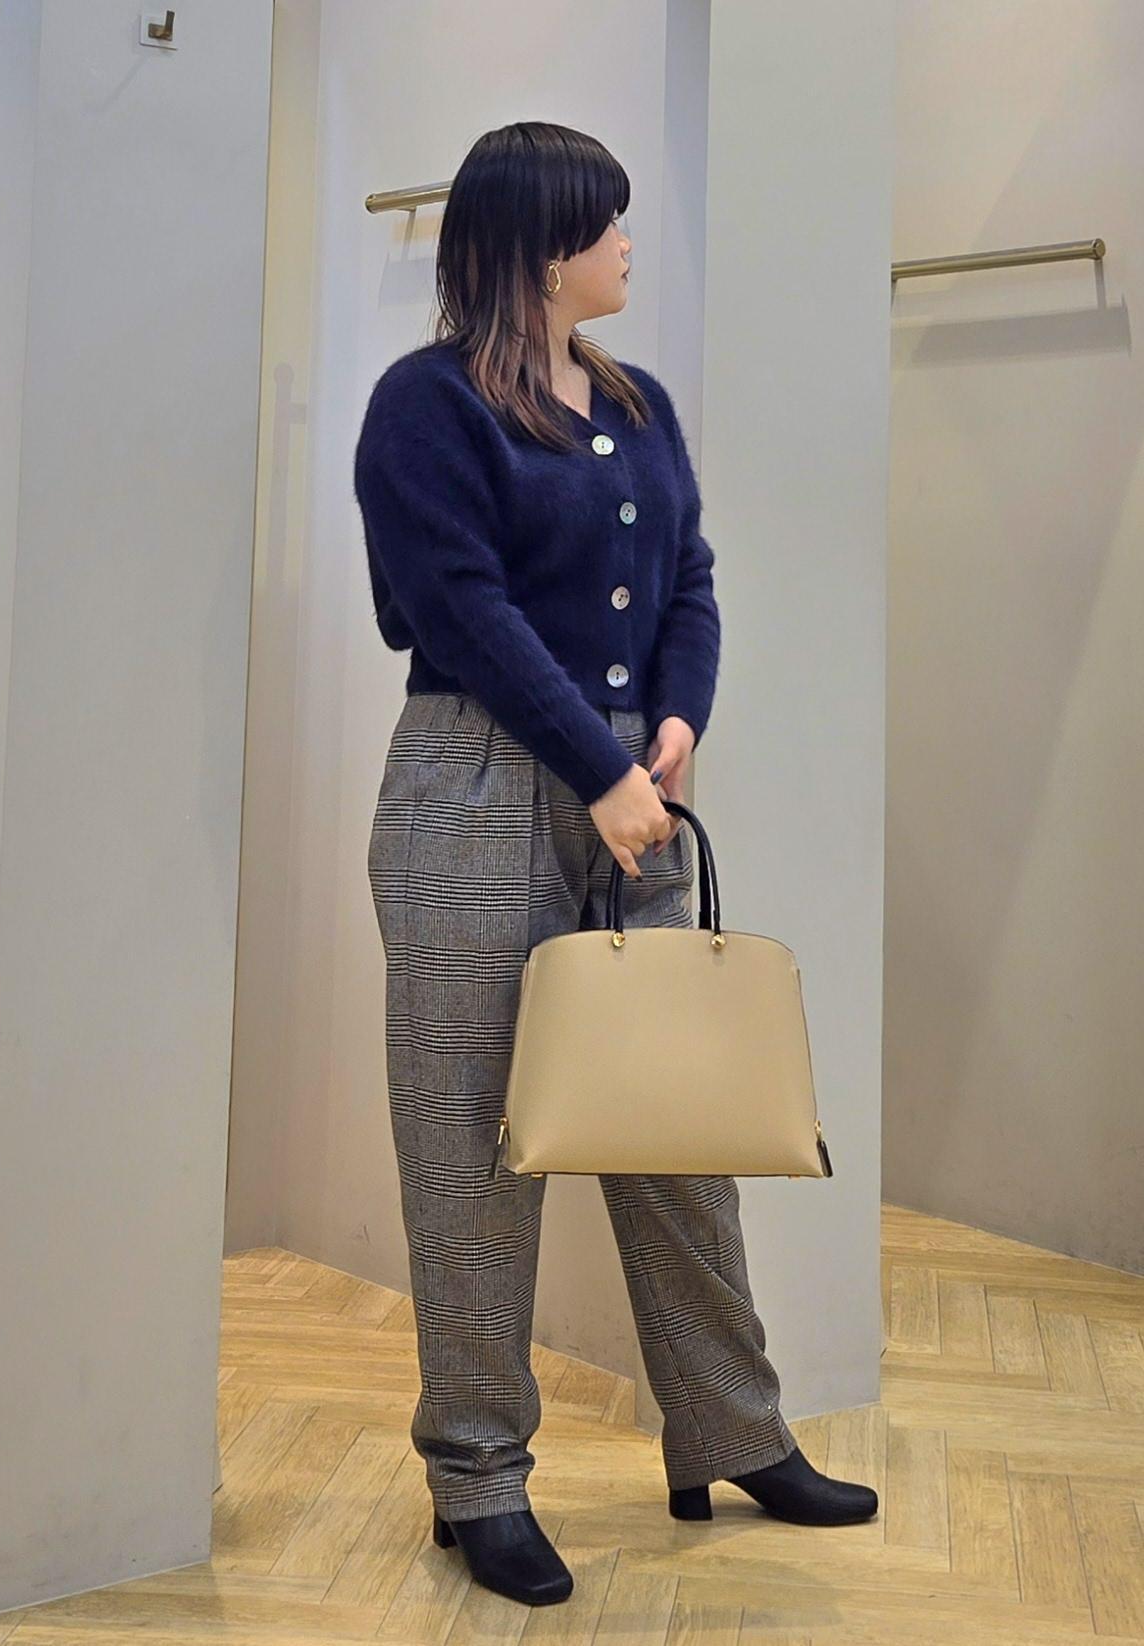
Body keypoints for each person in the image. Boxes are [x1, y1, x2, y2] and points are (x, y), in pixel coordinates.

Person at [353, 120, 876, 1610]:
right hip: (474, 790)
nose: (629, 243)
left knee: (679, 1128)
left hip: (632, 793)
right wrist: (597, 765)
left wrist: (676, 720)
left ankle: (732, 1430)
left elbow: (690, 575)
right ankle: (477, 1475)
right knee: (470, 1142)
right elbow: (458, 608)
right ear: (539, 247)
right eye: (607, 222)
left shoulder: (634, 404)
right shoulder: (425, 405)